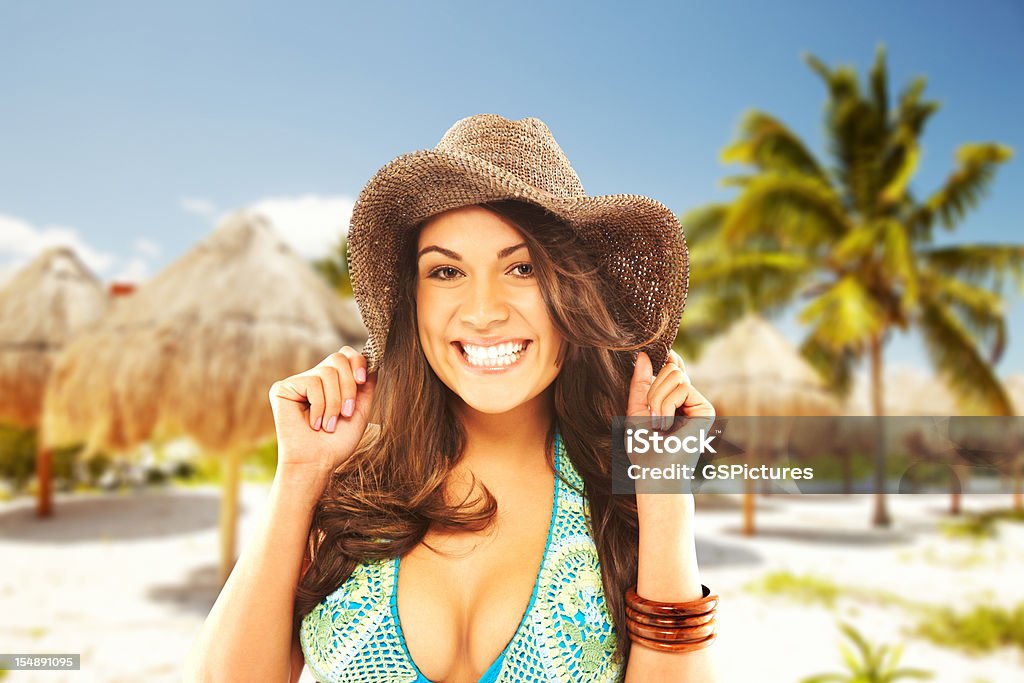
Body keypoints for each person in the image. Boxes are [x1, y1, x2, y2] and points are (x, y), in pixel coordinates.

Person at [184, 114, 719, 683]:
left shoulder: (626, 500)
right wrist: (299, 475)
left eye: (522, 268)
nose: (483, 311)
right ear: (413, 300)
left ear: (574, 294)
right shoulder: (346, 492)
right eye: (445, 271)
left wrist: (666, 496)